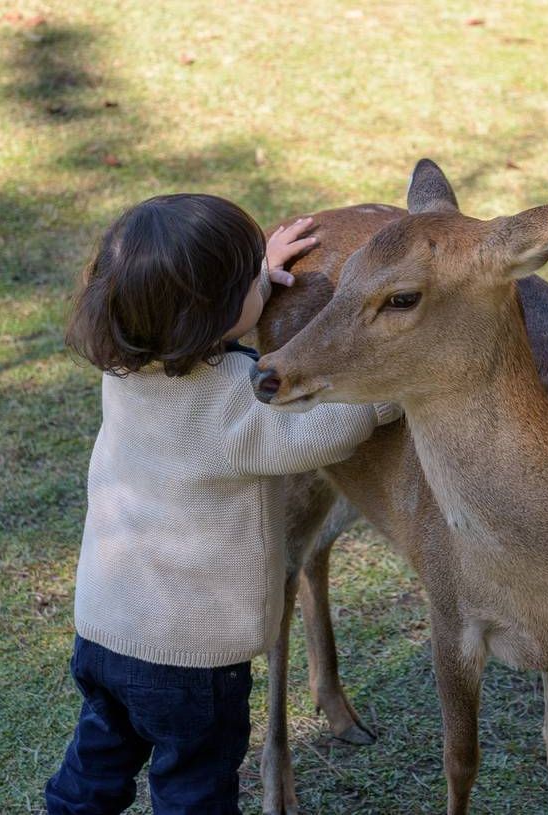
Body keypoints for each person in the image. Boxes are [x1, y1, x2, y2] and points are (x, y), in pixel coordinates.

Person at [45, 193, 402, 814]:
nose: (258, 283)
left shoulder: (126, 368)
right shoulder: (232, 408)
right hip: (190, 662)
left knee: (96, 767)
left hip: (105, 635)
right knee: (195, 790)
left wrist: (256, 275)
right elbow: (325, 431)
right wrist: (382, 395)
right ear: (210, 316)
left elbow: (196, 315)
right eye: (244, 280)